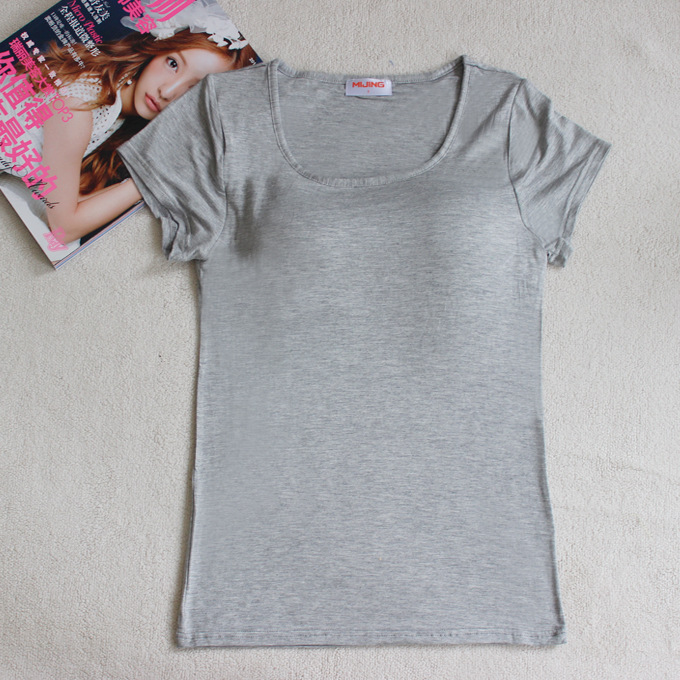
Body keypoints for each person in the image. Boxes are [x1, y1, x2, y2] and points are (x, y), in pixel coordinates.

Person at [0, 26, 258, 247]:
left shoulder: (118, 112)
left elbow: (72, 200)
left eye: (193, 91)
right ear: (156, 48)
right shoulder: (80, 103)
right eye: (173, 64)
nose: (167, 91)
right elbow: (64, 229)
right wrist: (152, 177)